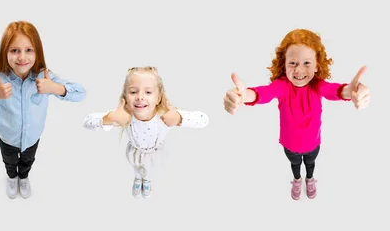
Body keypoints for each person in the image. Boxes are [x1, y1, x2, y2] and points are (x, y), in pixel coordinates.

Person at [223, 28, 370, 200]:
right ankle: (297, 179)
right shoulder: (282, 86)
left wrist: (351, 92)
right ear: (284, 66)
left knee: (310, 163)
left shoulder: (318, 85)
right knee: (294, 164)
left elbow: (335, 91)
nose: (299, 70)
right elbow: (263, 93)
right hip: (289, 144)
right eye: (293, 63)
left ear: (317, 66)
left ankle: (309, 179)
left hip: (313, 143)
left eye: (307, 63)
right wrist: (244, 96)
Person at [0, 21, 86, 199]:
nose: (22, 57)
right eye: (15, 50)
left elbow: (81, 93)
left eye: (29, 50)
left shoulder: (44, 76)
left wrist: (55, 88)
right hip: (7, 137)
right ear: (5, 52)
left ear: (37, 52)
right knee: (10, 162)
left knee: (28, 160)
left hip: (32, 137)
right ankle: (12, 178)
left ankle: (24, 177)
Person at [83, 66, 208, 198]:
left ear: (159, 97)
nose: (140, 97)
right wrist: (110, 118)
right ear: (125, 96)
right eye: (133, 92)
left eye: (148, 92)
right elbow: (87, 121)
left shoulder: (165, 115)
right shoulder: (124, 115)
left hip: (155, 152)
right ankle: (138, 179)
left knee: (149, 170)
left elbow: (204, 120)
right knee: (136, 167)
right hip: (134, 151)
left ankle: (147, 180)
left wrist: (179, 117)